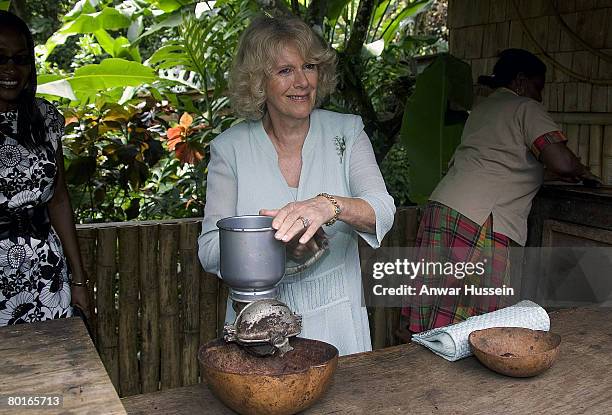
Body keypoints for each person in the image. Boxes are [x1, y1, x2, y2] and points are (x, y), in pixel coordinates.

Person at [198, 15, 396, 355]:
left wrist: (327, 206)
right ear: (259, 82)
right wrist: (276, 250)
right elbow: (210, 249)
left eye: (309, 66)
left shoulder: (346, 133)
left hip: (338, 316)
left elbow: (382, 211)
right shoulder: (229, 149)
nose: (302, 81)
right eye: (285, 70)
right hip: (259, 324)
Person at [401, 49, 599, 334]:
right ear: (520, 81)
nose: (539, 97)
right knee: (469, 323)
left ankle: (421, 370)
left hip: (442, 209)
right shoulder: (525, 108)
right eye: (537, 87)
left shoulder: (483, 109)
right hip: (479, 219)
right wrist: (582, 171)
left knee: (436, 306)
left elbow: (501, 158)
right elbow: (562, 161)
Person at [0, 11, 91, 326]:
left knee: (55, 366)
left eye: (20, 59)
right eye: (1, 59)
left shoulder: (46, 118)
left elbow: (59, 199)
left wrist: (78, 280)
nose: (11, 69)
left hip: (46, 270)